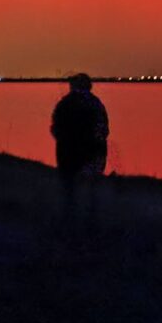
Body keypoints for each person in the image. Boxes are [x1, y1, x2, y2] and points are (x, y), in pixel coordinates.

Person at [50, 73, 109, 218]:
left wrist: (63, 140)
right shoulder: (95, 103)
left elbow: (55, 127)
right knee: (91, 188)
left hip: (68, 151)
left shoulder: (65, 103)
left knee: (69, 187)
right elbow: (103, 129)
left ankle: (70, 215)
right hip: (90, 150)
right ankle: (90, 216)